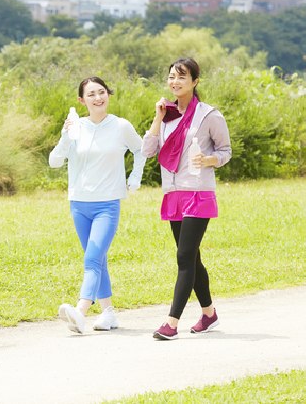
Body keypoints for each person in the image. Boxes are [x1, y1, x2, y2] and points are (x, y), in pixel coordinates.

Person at [141, 58, 231, 341]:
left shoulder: (209, 115)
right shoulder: (166, 116)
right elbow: (148, 151)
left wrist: (209, 160)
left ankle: (171, 322)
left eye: (182, 77)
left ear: (195, 81)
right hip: (174, 194)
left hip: (198, 193)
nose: (175, 82)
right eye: (171, 76)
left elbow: (226, 151)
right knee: (193, 257)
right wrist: (157, 118)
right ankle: (209, 313)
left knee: (184, 256)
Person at [49, 76, 146, 334]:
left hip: (107, 204)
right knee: (97, 259)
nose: (98, 98)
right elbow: (54, 162)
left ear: (108, 94)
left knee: (92, 257)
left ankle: (80, 312)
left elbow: (141, 149)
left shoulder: (121, 126)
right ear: (82, 101)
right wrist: (65, 137)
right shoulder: (75, 128)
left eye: (101, 92)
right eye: (91, 94)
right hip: (79, 204)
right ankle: (108, 313)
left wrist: (135, 177)